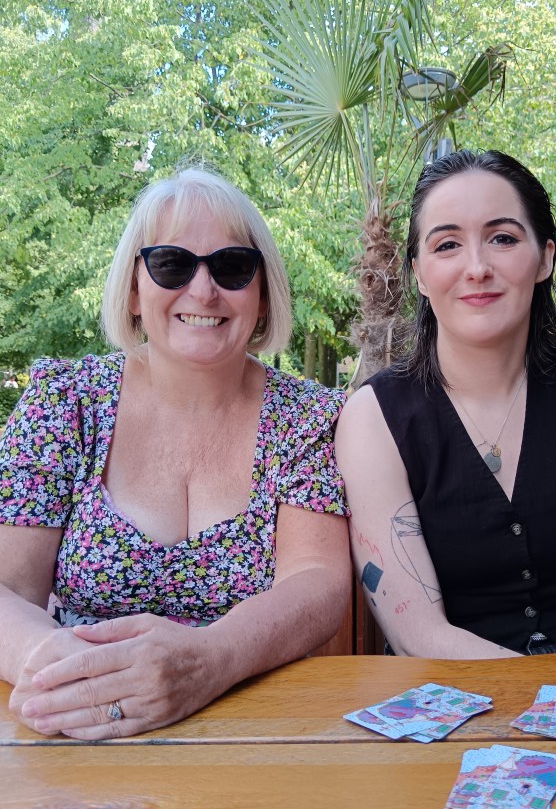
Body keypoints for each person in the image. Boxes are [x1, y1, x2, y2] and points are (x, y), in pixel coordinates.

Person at [0, 167, 350, 738]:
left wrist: (209, 661)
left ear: (263, 295)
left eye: (232, 266)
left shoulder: (307, 417)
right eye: (171, 264)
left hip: (258, 727)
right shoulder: (64, 402)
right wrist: (64, 670)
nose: (203, 291)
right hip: (75, 726)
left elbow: (315, 579)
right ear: (133, 290)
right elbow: (8, 588)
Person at [336, 149, 556, 657]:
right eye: (447, 245)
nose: (477, 268)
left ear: (545, 258)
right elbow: (419, 635)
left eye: (503, 238)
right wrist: (544, 698)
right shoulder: (374, 419)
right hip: (451, 688)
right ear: (420, 274)